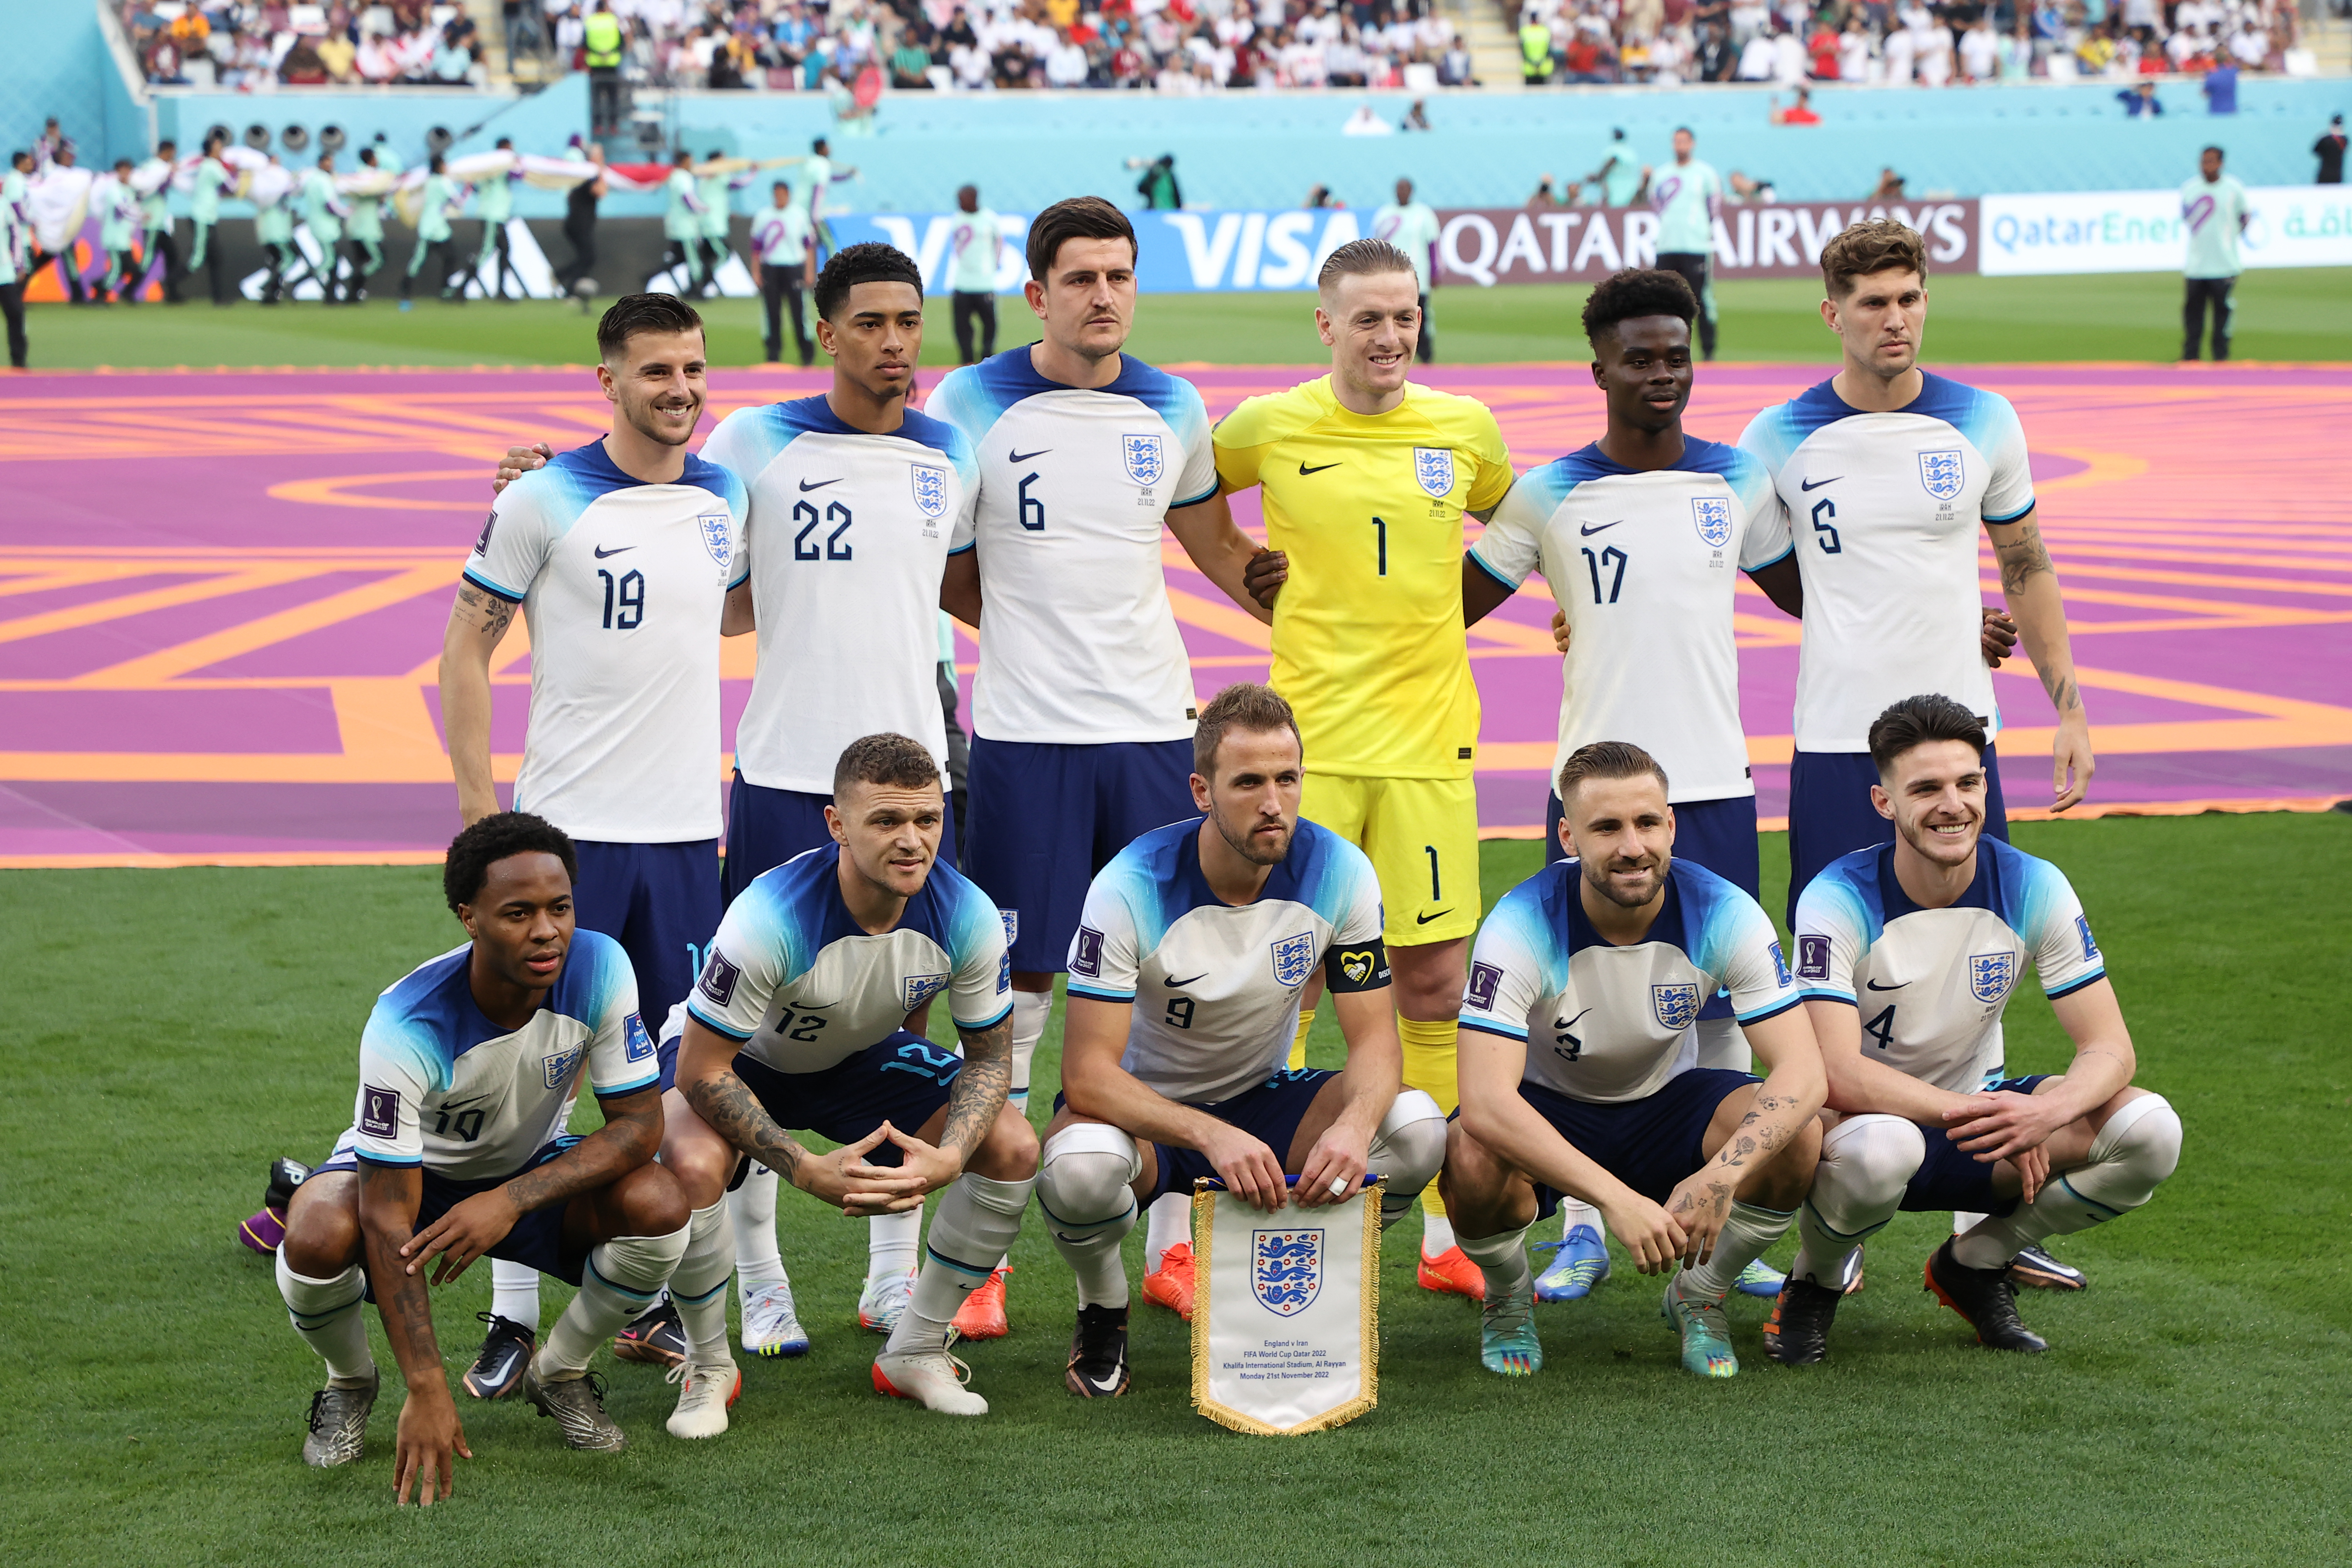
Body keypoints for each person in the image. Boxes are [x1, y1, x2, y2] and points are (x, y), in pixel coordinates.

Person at [489, 245, 989, 1356]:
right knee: (750, 1042)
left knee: (898, 1030)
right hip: (781, 777)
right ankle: (759, 1282)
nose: (895, 342)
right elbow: (683, 561)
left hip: (910, 785)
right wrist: (540, 483)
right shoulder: (749, 442)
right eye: (869, 322)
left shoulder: (951, 449)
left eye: (909, 321)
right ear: (825, 331)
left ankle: (889, 1273)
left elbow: (960, 580)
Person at [923, 196, 1267, 1311]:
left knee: (1176, 982)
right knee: (1014, 993)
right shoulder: (970, 398)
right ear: (1037, 292)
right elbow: (941, 563)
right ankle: (983, 1258)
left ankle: (1167, 1247)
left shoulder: (1172, 403)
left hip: (1157, 731)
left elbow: (1218, 545)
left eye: (1118, 276)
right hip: (1026, 736)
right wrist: (1033, 631)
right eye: (1079, 278)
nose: (1103, 296)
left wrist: (1361, 600)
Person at [1467, 268, 1803, 1302]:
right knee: (1575, 1012)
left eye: (1676, 354)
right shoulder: (1548, 490)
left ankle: (1705, 1221)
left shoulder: (1738, 480)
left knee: (1713, 1013)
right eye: (1639, 357)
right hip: (1597, 792)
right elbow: (1445, 614)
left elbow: (1816, 595)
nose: (1661, 373)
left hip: (1712, 778)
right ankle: (1584, 1223)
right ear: (1600, 367)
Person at [438, 294, 746, 1396]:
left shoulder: (725, 494)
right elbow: (463, 654)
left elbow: (728, 608)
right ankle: (511, 1312)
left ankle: (644, 1293)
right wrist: (484, 815)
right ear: (606, 380)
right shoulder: (542, 495)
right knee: (535, 1072)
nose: (679, 389)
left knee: (661, 1079)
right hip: (565, 840)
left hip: (681, 839)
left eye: (694, 370)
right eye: (656, 371)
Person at [1212, 239, 1514, 1309]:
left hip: (1430, 750)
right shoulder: (1272, 424)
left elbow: (1521, 519)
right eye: (1368, 319)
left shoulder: (1461, 429)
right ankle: (1259, 1197)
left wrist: (1565, 595)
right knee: (1285, 978)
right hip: (1307, 756)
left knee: (1432, 978)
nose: (1389, 337)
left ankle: (1438, 1224)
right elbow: (1192, 490)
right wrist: (1237, 570)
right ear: (1325, 325)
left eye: (1405, 317)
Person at [1038, 683, 1449, 1396]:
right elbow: (1087, 1077)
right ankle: (1103, 1310)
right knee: (1079, 1170)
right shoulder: (1131, 884)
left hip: (1264, 1100)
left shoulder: (1339, 870)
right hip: (1146, 1116)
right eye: (1249, 781)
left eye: (1287, 779)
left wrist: (1352, 1127)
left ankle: (1318, 1286)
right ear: (1202, 789)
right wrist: (1211, 1135)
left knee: (1414, 1130)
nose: (1273, 802)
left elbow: (1377, 1042)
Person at [271, 812, 690, 1488]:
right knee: (316, 1225)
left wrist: (510, 1198)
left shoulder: (601, 963)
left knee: (661, 1200)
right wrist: (427, 1383)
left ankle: (559, 1371)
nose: (547, 930)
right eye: (518, 913)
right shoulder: (406, 1024)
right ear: (469, 917)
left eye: (560, 907)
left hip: (525, 1173)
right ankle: (350, 1382)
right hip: (413, 1179)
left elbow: (640, 1127)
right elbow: (385, 1214)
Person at [1773, 695, 2180, 1362]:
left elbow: (2109, 1047)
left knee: (2152, 1132)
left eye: (1968, 782)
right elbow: (1837, 1071)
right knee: (1884, 1150)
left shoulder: (2033, 884)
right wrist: (1984, 1114)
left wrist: (2046, 1113)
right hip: (1864, 1124)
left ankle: (1978, 1261)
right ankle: (1814, 1281)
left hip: (1980, 1123)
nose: (1952, 804)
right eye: (1926, 788)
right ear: (1884, 803)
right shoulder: (1835, 895)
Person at [1738, 217, 2093, 923]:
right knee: (1834, 963)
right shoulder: (1776, 435)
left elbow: (2026, 566)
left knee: (1973, 953)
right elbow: (1712, 558)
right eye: (1874, 303)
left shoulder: (1985, 419)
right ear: (1832, 314)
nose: (1895, 320)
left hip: (1961, 740)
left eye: (1910, 299)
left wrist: (2071, 712)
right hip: (1839, 740)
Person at [667, 732, 1033, 1417]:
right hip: (739, 1060)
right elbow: (700, 1067)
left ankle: (915, 1349)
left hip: (856, 1059)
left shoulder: (968, 912)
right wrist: (805, 1167)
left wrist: (952, 1154)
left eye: (928, 820)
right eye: (886, 821)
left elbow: (988, 1056)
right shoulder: (770, 914)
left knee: (1011, 1146)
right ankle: (707, 1364)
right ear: (837, 824)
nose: (912, 841)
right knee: (689, 1162)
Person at [1443, 741, 1825, 1381]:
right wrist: (1615, 1200)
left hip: (1664, 1105)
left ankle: (1700, 1294)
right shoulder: (1521, 922)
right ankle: (1509, 1291)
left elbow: (1806, 1072)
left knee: (1797, 1135)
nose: (1632, 845)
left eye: (1648, 822)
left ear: (1671, 825)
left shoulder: (1723, 910)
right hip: (1548, 1108)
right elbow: (1486, 1100)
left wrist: (1722, 1176)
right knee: (1468, 1153)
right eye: (1607, 827)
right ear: (1569, 835)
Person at [1644, 129, 1723, 360]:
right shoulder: (1661, 174)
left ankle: (1708, 351)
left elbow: (1713, 206)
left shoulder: (1705, 173)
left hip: (1696, 244)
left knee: (1701, 298)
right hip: (1667, 244)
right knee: (1661, 300)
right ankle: (1661, 349)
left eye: (1684, 141)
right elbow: (1655, 204)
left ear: (1692, 144)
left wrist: (1700, 228)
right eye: (1677, 141)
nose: (1680, 145)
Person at [2180, 145, 2249, 364]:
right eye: (2203, 161)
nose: (2206, 166)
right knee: (2193, 314)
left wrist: (2230, 238)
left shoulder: (2233, 188)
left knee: (2222, 313)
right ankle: (2191, 357)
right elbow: (2187, 218)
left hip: (2224, 263)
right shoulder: (2190, 189)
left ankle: (2221, 358)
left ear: (2221, 163)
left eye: (2211, 161)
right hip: (2197, 264)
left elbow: (2244, 216)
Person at [1369, 177, 1442, 364]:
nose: (1402, 192)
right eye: (1399, 189)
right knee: (1388, 314)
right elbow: (1375, 245)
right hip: (1388, 276)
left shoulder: (1424, 214)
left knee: (1420, 315)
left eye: (1405, 189)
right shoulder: (1384, 214)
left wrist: (1435, 271)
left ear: (1412, 191)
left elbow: (1432, 244)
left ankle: (1426, 356)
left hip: (1418, 275)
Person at [751, 179, 814, 365]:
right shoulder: (764, 216)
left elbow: (809, 245)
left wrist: (809, 271)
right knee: (772, 311)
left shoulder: (799, 215)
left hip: (793, 267)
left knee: (799, 312)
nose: (779, 198)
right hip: (771, 267)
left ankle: (806, 353)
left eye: (782, 194)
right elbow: (756, 247)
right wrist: (756, 272)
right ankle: (773, 354)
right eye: (776, 194)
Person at [947, 184, 1005, 366]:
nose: (959, 203)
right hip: (962, 282)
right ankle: (966, 360)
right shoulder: (957, 220)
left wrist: (995, 263)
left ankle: (987, 359)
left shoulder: (989, 219)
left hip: (985, 283)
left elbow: (999, 241)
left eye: (962, 199)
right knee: (962, 326)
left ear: (973, 198)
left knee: (990, 325)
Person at [401, 155, 464, 304]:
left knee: (446, 258)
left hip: (434, 227)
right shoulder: (443, 182)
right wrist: (467, 189)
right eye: (444, 164)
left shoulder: (429, 182)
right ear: (440, 167)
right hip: (432, 228)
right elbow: (457, 202)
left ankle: (443, 291)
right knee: (426, 260)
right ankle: (407, 290)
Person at [471, 138, 522, 302]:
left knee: (505, 251)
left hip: (495, 215)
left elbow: (475, 187)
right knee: (486, 252)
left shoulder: (488, 166)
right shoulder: (502, 165)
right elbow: (519, 174)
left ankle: (501, 291)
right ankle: (460, 288)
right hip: (492, 216)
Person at [189, 133, 237, 307]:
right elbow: (231, 187)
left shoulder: (208, 166)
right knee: (197, 260)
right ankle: (171, 284)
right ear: (211, 150)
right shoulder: (212, 166)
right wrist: (236, 173)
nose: (222, 150)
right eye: (218, 147)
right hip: (202, 217)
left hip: (206, 217)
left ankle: (219, 298)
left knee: (216, 258)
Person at [554, 142, 606, 297]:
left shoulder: (586, 173)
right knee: (588, 257)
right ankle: (565, 284)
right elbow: (600, 192)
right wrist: (602, 173)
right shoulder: (590, 173)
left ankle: (562, 279)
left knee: (586, 258)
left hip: (580, 222)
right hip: (579, 223)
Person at [134, 141, 181, 304]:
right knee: (148, 260)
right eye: (172, 153)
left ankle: (172, 293)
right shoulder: (158, 169)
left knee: (172, 256)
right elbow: (150, 189)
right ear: (167, 152)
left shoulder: (147, 166)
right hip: (153, 221)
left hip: (158, 222)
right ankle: (129, 291)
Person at [301, 151, 350, 305]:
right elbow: (329, 205)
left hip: (317, 225)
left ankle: (331, 296)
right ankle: (298, 283)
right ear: (321, 163)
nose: (331, 166)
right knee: (330, 261)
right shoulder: (323, 181)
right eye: (329, 162)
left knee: (333, 262)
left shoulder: (312, 180)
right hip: (327, 227)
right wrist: (347, 213)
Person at [657, 149, 707, 296]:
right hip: (685, 226)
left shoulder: (673, 176)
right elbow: (687, 199)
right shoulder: (684, 177)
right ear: (684, 161)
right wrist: (702, 208)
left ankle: (651, 276)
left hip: (674, 224)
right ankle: (696, 289)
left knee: (678, 258)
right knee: (693, 258)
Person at [345, 147, 389, 302]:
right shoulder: (374, 179)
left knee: (361, 261)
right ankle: (351, 283)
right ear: (371, 160)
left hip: (354, 227)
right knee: (377, 261)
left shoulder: (355, 177)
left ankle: (353, 295)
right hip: (367, 229)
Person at [253, 154, 297, 306]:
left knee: (276, 262)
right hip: (277, 231)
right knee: (290, 258)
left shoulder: (259, 182)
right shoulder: (275, 181)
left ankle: (271, 296)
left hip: (266, 230)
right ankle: (267, 284)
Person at [97, 158, 142, 304]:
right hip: (113, 237)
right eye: (122, 171)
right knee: (117, 269)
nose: (126, 174)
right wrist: (140, 216)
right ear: (117, 172)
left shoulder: (129, 190)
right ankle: (99, 297)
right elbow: (121, 210)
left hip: (124, 238)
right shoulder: (113, 190)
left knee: (132, 269)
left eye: (128, 171)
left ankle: (99, 286)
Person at [585, 0, 626, 135]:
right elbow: (622, 42)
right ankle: (613, 125)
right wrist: (609, 52)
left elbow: (584, 43)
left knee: (596, 97)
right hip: (612, 63)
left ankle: (598, 126)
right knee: (613, 96)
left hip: (595, 63)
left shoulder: (589, 22)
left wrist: (598, 52)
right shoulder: (614, 21)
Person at [0, 160, 24, 368]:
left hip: (3, 272)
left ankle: (19, 361)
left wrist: (18, 264)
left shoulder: (3, 204)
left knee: (16, 313)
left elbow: (15, 234)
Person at [1588, 129, 1646, 208]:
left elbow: (1611, 163)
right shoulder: (1631, 152)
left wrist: (1598, 177)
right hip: (1631, 185)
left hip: (1615, 186)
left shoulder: (1613, 151)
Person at [2317, 114, 2346, 185]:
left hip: (2337, 173)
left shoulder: (2343, 140)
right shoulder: (2325, 140)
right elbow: (2316, 150)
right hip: (2325, 172)